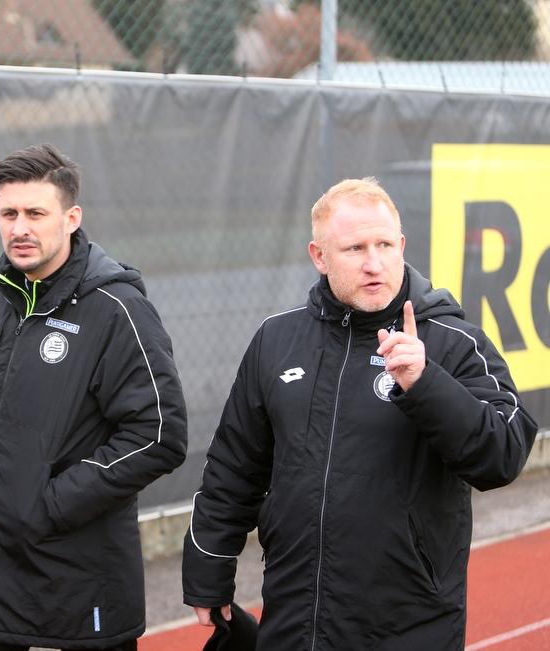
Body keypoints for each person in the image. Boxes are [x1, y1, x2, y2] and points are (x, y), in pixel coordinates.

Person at [181, 177, 538, 650]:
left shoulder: (452, 341)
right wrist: (208, 567)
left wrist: (425, 383)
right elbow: (233, 466)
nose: (374, 264)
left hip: (409, 623)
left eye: (385, 244)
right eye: (354, 249)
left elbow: (504, 455)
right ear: (319, 256)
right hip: (295, 615)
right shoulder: (276, 339)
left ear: (402, 245)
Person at [0, 144, 188, 651]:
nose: (19, 228)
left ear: (71, 218)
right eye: (9, 213)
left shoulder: (117, 309)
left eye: (35, 213)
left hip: (73, 576)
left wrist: (48, 504)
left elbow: (159, 433)